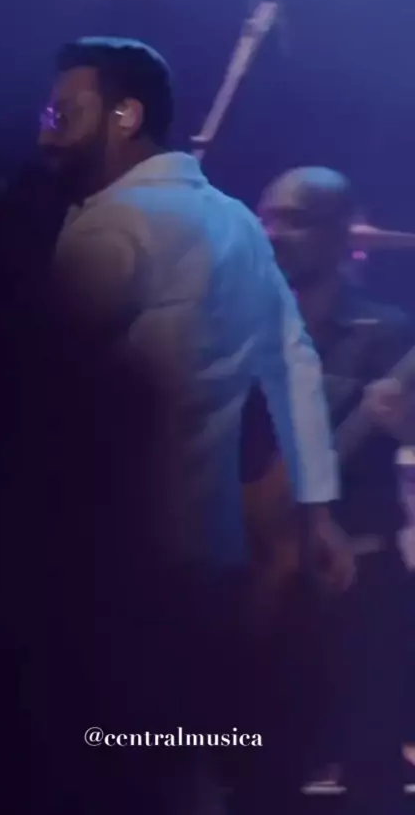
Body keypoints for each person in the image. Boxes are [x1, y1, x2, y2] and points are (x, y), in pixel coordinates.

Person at [1, 40, 344, 815]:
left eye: (62, 113)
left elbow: (41, 388)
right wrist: (315, 508)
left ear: (125, 117)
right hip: (207, 549)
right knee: (176, 751)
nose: (45, 130)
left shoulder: (114, 227)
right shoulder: (235, 222)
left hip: (103, 553)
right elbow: (293, 363)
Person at [243, 166, 414, 815]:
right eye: (266, 216)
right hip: (258, 577)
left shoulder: (388, 332)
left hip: (359, 585)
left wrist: (405, 423)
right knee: (262, 768)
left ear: (344, 236)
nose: (273, 232)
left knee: (372, 770)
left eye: (295, 220)